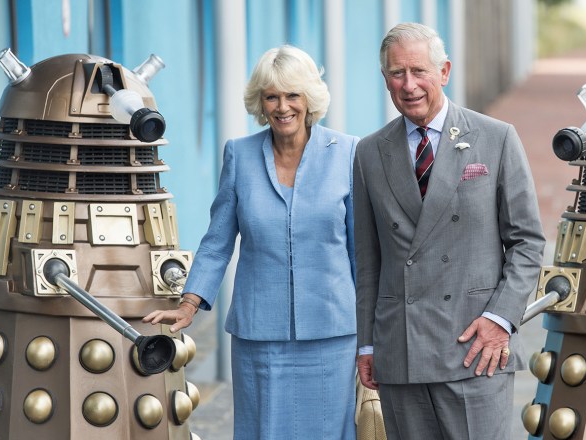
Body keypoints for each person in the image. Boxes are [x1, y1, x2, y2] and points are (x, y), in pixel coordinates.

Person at [143, 45, 359, 440]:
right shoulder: (240, 155)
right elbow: (217, 241)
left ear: (309, 97)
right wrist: (190, 304)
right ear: (260, 101)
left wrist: (375, 332)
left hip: (332, 334)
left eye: (292, 95)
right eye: (271, 96)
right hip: (261, 336)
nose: (282, 106)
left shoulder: (347, 153)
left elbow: (361, 251)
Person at [353, 23, 545, 439]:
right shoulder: (369, 151)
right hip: (401, 350)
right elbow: (368, 261)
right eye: (396, 73)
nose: (409, 85)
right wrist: (367, 344)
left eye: (419, 71)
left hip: (475, 347)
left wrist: (500, 319)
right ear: (384, 78)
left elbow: (528, 243)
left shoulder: (495, 138)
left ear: (444, 71)